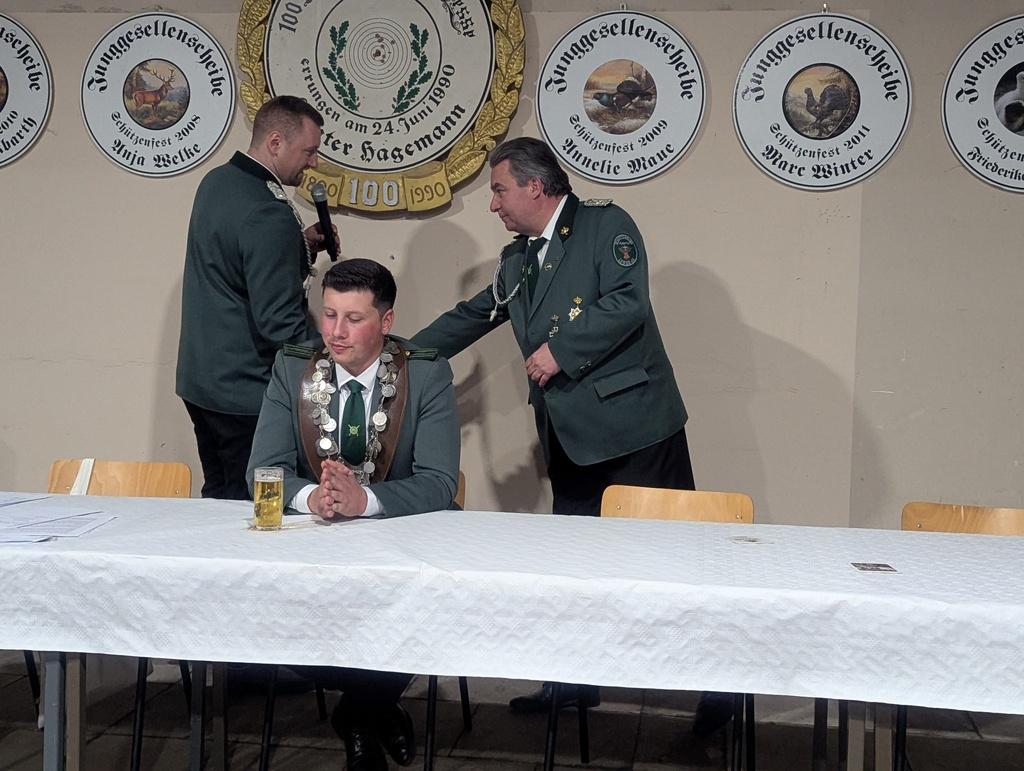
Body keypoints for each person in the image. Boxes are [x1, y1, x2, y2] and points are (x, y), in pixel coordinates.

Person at [411, 137, 701, 717]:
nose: (493, 204)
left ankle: (718, 687)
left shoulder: (605, 226)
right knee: (573, 569)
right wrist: (397, 353)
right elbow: (474, 315)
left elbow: (628, 301)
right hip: (570, 437)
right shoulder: (517, 259)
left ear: (535, 186)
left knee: (675, 568)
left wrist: (560, 351)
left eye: (499, 190)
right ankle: (574, 680)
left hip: (637, 431)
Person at [247, 258, 460, 770]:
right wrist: (313, 498)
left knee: (421, 608)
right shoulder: (292, 369)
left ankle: (358, 716)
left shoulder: (426, 372)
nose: (336, 332)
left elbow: (439, 481)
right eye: (329, 315)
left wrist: (366, 502)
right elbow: (261, 472)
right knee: (271, 611)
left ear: (386, 322)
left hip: (402, 546)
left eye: (353, 318)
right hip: (316, 549)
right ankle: (376, 709)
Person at [176, 95, 336, 500]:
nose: (314, 162)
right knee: (250, 506)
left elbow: (233, 262)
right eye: (309, 151)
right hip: (244, 389)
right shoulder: (269, 211)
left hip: (202, 380)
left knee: (219, 494)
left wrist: (298, 246)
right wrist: (330, 364)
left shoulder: (218, 181)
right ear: (276, 142)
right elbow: (279, 322)